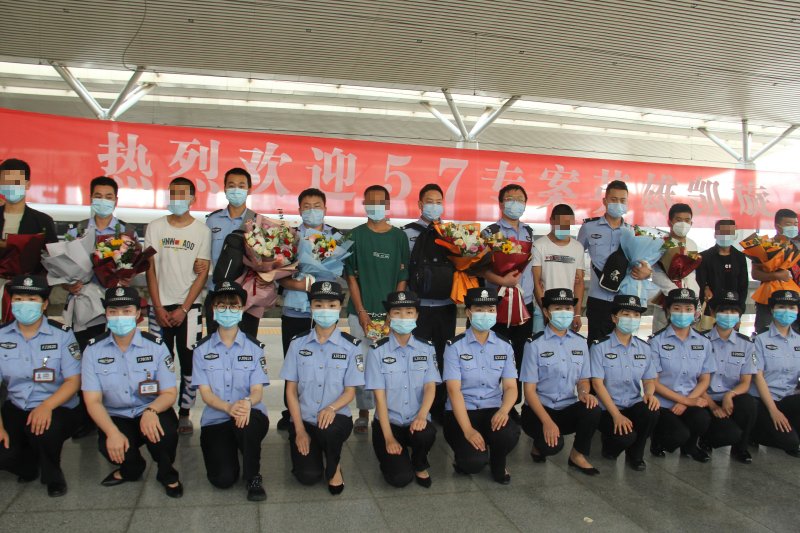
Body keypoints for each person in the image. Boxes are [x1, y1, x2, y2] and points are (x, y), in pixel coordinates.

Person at [81, 286, 182, 497]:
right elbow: (92, 401)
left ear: (137, 314)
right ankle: (132, 468)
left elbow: (169, 393)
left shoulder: (156, 346)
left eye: (126, 311)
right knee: (109, 445)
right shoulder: (93, 350)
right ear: (106, 314)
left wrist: (151, 411)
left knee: (165, 434)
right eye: (113, 311)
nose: (120, 317)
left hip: (150, 408)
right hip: (117, 415)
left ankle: (167, 473)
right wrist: (111, 432)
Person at [66, 175, 137, 440]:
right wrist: (68, 283)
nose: (103, 201)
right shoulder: (77, 231)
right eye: (98, 196)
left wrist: (126, 276)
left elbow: (132, 266)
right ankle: (86, 417)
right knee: (86, 358)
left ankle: (115, 411)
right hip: (85, 305)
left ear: (116, 201)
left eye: (108, 197)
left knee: (115, 357)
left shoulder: (126, 232)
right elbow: (65, 264)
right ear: (90, 198)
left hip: (115, 305)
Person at [0, 275, 81, 497]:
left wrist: (46, 406)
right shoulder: (2, 336)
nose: (24, 304)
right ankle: (28, 465)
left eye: (31, 299)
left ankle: (52, 475)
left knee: (45, 431)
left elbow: (73, 381)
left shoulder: (62, 335)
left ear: (44, 304)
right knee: (6, 453)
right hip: (17, 405)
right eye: (18, 299)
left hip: (57, 405)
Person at [281, 281, 364, 494]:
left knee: (329, 431)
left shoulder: (351, 346)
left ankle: (334, 465)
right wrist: (299, 430)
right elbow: (291, 390)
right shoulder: (297, 343)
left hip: (336, 418)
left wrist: (331, 408)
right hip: (305, 419)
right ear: (310, 307)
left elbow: (350, 392)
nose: (325, 310)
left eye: (331, 305)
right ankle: (316, 448)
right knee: (307, 476)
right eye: (318, 305)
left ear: (339, 307)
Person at [145, 177, 211, 435]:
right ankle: (161, 409)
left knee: (188, 362)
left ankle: (184, 413)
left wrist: (184, 308)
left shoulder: (202, 231)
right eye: (173, 193)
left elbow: (202, 274)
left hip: (189, 309)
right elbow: (150, 270)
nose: (178, 199)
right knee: (159, 361)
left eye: (183, 194)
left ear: (193, 198)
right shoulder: (155, 227)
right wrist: (158, 307)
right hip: (159, 307)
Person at [192, 281, 269, 501]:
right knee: (223, 479)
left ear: (242, 309)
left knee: (247, 424)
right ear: (213, 309)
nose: (228, 310)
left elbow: (257, 391)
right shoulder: (201, 350)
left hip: (249, 414)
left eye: (234, 306)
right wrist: (228, 408)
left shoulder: (255, 348)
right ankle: (233, 446)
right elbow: (206, 394)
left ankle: (253, 477)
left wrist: (246, 403)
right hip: (217, 417)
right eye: (222, 305)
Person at [345, 185, 409, 433]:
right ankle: (363, 412)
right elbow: (351, 277)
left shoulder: (399, 237)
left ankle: (387, 412)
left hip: (390, 315)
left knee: (389, 364)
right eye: (370, 202)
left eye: (380, 202)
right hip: (360, 313)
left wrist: (394, 312)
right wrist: (362, 312)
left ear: (388, 205)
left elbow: (402, 277)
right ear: (363, 205)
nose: (375, 207)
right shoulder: (354, 236)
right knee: (361, 363)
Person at [276, 188, 339, 431]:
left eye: (317, 206)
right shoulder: (289, 237)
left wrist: (320, 287)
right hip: (295, 309)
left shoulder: (336, 237)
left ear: (325, 208)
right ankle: (291, 413)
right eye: (307, 206)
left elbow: (339, 273)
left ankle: (325, 409)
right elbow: (279, 277)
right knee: (294, 363)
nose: (312, 211)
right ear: (299, 209)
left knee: (326, 362)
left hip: (325, 312)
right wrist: (303, 285)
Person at [443, 288, 520, 484]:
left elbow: (511, 387)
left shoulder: (505, 345)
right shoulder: (454, 346)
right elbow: (453, 390)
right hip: (462, 411)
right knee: (472, 463)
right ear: (468, 312)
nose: (485, 314)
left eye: (490, 309)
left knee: (508, 434)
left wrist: (504, 410)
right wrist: (468, 429)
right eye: (479, 309)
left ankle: (498, 462)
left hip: (492, 408)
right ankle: (467, 456)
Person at [519, 288, 600, 475]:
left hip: (566, 408)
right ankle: (538, 446)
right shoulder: (534, 344)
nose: (564, 312)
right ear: (546, 312)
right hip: (539, 410)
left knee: (593, 409)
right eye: (558, 308)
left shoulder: (580, 343)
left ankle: (577, 455)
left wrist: (584, 393)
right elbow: (529, 391)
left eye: (568, 308)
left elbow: (583, 379)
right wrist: (547, 422)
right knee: (551, 447)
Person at [365, 290, 440, 488]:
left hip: (416, 420)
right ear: (389, 317)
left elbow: (430, 386)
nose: (403, 317)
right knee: (399, 479)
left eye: (409, 312)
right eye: (397, 312)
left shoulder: (427, 348)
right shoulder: (377, 351)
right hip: (389, 423)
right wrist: (389, 438)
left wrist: (422, 415)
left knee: (426, 434)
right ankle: (396, 458)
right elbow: (379, 398)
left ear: (417, 315)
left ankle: (419, 463)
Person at [402, 183, 455, 423]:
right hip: (418, 307)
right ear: (420, 204)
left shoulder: (452, 233)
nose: (434, 206)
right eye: (429, 202)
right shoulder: (406, 234)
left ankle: (440, 407)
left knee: (444, 356)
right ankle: (416, 406)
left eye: (438, 202)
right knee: (417, 357)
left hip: (446, 306)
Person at [590, 294, 660, 471]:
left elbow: (649, 379)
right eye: (626, 314)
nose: (631, 318)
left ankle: (636, 455)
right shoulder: (599, 347)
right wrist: (616, 415)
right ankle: (610, 447)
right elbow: (597, 384)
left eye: (636, 315)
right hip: (608, 408)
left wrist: (649, 394)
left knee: (651, 411)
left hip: (633, 402)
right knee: (625, 437)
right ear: (614, 318)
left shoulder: (644, 348)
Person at [481, 184, 535, 410]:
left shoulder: (529, 232)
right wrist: (503, 281)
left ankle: (514, 404)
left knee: (520, 354)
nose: (515, 203)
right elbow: (479, 268)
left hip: (525, 304)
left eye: (520, 199)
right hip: (498, 305)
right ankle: (493, 403)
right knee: (495, 354)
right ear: (501, 203)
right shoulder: (490, 233)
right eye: (510, 198)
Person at [578, 180, 651, 345]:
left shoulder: (632, 231)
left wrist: (647, 272)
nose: (618, 203)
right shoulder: (589, 227)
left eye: (622, 200)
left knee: (622, 344)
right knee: (596, 344)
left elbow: (641, 263)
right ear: (605, 201)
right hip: (598, 298)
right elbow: (576, 255)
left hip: (623, 298)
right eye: (614, 199)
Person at [649, 288, 715, 462]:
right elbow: (654, 382)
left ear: (695, 312)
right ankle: (658, 441)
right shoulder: (656, 342)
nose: (683, 313)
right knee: (678, 435)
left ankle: (690, 447)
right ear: (668, 311)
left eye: (688, 309)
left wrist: (687, 402)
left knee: (702, 419)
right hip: (663, 404)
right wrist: (685, 401)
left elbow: (704, 379)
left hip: (690, 398)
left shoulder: (704, 342)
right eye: (677, 308)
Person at [700, 291, 757, 464]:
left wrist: (730, 395)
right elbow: (694, 381)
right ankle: (705, 440)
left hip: (730, 399)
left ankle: (741, 448)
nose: (729, 315)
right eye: (724, 311)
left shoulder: (746, 344)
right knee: (724, 433)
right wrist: (712, 405)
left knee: (749, 403)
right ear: (714, 312)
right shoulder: (701, 341)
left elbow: (746, 382)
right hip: (704, 398)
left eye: (733, 311)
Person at [204, 168, 257, 334]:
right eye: (231, 185)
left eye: (241, 186)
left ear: (249, 190)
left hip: (247, 297)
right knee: (214, 344)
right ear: (225, 188)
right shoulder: (212, 220)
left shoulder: (257, 222)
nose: (236, 190)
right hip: (217, 293)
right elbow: (204, 255)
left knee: (247, 344)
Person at [750, 289, 800, 457]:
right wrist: (774, 411)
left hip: (787, 398)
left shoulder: (799, 340)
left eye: (792, 308)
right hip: (764, 401)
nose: (787, 311)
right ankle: (752, 434)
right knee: (790, 443)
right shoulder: (759, 339)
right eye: (781, 307)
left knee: (792, 440)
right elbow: (758, 377)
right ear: (772, 310)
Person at [532, 204, 586, 333]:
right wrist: (545, 311)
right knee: (540, 343)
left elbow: (579, 283)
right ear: (552, 221)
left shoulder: (577, 247)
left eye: (568, 224)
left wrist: (577, 314)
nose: (564, 227)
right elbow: (536, 282)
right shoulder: (539, 246)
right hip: (542, 310)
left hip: (567, 311)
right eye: (560, 223)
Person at [651, 203, 701, 331]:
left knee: (687, 335)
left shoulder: (692, 244)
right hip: (665, 298)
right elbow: (656, 273)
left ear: (691, 223)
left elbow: (691, 274)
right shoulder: (661, 243)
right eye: (678, 220)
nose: (683, 224)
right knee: (661, 334)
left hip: (688, 300)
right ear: (670, 222)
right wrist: (674, 292)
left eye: (687, 220)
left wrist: (694, 296)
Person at [751, 209, 800, 334]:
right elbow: (755, 274)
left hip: (793, 300)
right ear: (777, 226)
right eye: (789, 224)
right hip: (767, 298)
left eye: (795, 224)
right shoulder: (763, 246)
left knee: (793, 335)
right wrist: (777, 275)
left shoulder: (796, 248)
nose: (793, 227)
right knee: (764, 333)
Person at [695, 219, 749, 325]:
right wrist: (705, 288)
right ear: (715, 234)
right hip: (711, 310)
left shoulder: (740, 257)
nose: (725, 236)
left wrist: (739, 312)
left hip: (733, 310)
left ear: (734, 235)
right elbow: (700, 282)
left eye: (729, 233)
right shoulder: (704, 257)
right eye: (722, 233)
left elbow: (743, 286)